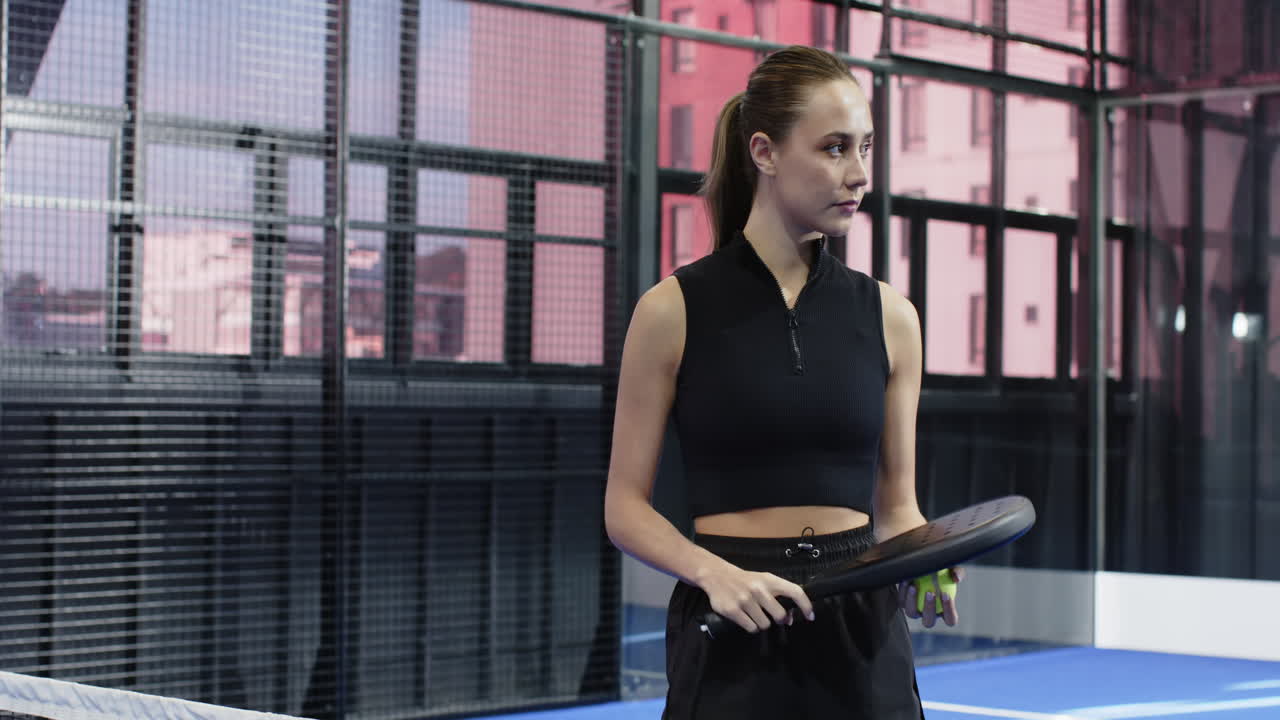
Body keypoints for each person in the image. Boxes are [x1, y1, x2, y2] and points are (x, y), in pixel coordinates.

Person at [603, 45, 961, 718]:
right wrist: (713, 573)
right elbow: (624, 509)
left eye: (866, 148)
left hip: (863, 631)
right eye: (833, 149)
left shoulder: (893, 317)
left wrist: (924, 557)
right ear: (764, 152)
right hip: (733, 624)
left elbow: (897, 506)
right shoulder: (670, 311)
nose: (857, 173)